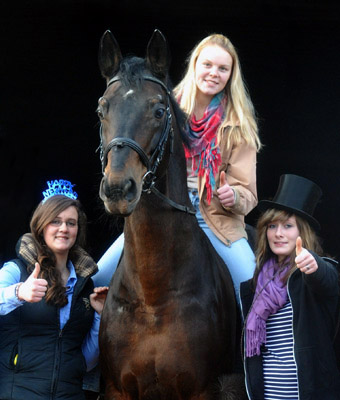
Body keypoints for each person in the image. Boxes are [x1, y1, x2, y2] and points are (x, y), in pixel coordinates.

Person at [93, 33, 262, 304]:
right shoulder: (161, 106)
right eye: (207, 65)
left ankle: (253, 348)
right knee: (94, 280)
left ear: (231, 75)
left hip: (215, 219)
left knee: (252, 288)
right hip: (162, 211)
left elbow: (248, 193)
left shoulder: (239, 125)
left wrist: (235, 197)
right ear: (194, 65)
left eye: (223, 68)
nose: (213, 73)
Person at [0, 179, 108, 400]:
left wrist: (99, 316)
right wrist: (19, 292)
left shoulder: (85, 285)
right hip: (18, 392)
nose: (63, 229)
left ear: (78, 229)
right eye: (55, 221)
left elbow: (84, 361)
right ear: (41, 227)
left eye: (71, 223)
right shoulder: (17, 270)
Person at [240, 174, 340, 399]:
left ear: (301, 233)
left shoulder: (310, 273)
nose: (278, 233)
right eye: (272, 226)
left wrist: (314, 264)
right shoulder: (256, 285)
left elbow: (330, 281)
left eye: (287, 226)